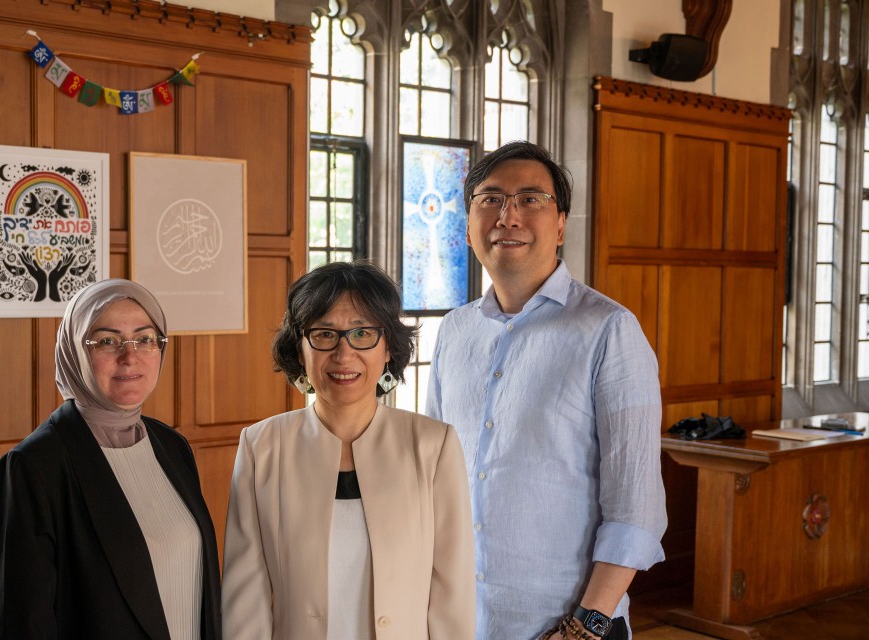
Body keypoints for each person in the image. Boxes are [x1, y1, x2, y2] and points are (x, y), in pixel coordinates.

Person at [426, 141, 667, 640]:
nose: (507, 216)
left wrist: (584, 628)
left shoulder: (609, 331)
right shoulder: (454, 331)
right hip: (461, 623)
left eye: (530, 199)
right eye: (490, 199)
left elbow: (636, 510)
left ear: (560, 224)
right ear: (468, 222)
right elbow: (434, 480)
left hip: (569, 629)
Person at [221, 261, 475, 640]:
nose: (343, 353)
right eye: (324, 334)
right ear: (300, 348)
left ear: (388, 346)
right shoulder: (262, 447)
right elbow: (246, 599)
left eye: (362, 333)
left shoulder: (433, 446)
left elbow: (452, 594)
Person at [0, 279, 221, 640]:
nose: (130, 356)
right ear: (75, 351)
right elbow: (18, 625)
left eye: (144, 339)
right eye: (107, 341)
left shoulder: (173, 447)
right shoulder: (32, 468)